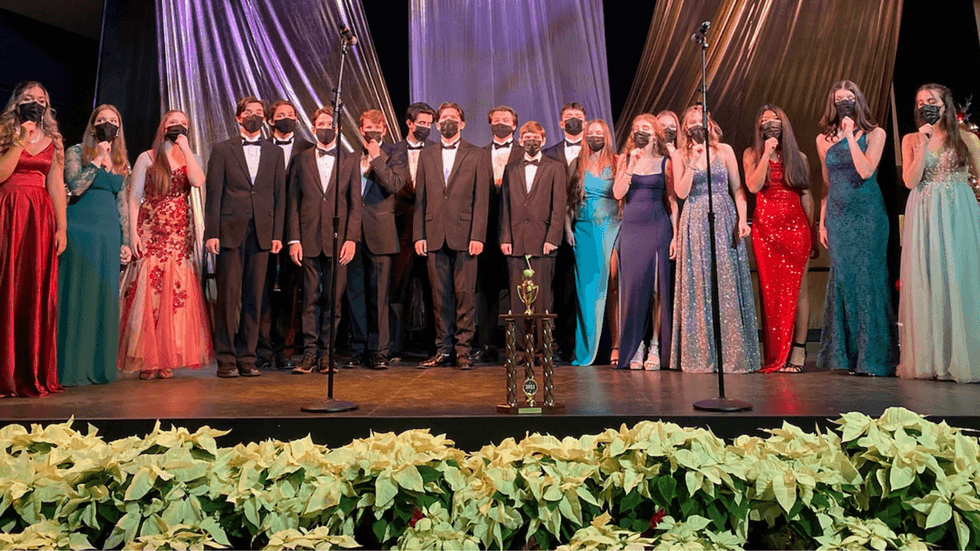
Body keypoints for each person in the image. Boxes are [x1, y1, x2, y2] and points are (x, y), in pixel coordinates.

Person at [119, 109, 213, 378]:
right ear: (163, 127)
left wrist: (184, 147)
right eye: (173, 124)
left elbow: (197, 181)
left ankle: (166, 357)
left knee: (175, 294)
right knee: (150, 294)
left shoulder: (189, 157)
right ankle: (147, 358)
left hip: (178, 233)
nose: (178, 127)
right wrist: (134, 234)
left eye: (183, 124)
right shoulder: (147, 157)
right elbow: (134, 197)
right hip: (151, 229)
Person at [897, 83, 980, 382]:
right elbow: (909, 180)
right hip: (925, 211)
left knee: (958, 278)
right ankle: (933, 359)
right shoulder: (911, 139)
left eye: (931, 101)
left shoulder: (967, 139)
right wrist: (923, 143)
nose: (925, 106)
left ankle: (962, 357)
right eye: (920, 102)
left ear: (945, 105)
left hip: (958, 211)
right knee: (928, 277)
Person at [816, 80, 897, 376]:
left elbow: (865, 170)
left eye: (849, 99)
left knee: (868, 280)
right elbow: (827, 183)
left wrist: (850, 136)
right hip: (838, 217)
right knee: (844, 281)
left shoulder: (876, 133)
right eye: (839, 99)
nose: (844, 103)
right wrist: (822, 221)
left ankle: (873, 358)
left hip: (868, 215)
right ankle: (845, 357)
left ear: (858, 101)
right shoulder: (822, 139)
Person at [670, 106, 760, 374]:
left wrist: (742, 219)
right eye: (693, 122)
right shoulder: (679, 155)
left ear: (710, 124)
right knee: (698, 285)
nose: (698, 125)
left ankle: (731, 355)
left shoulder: (725, 151)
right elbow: (681, 192)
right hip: (694, 220)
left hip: (723, 217)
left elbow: (738, 188)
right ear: (686, 129)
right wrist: (692, 162)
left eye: (702, 121)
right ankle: (701, 355)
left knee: (726, 284)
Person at [205, 96, 286, 378]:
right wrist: (211, 233)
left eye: (259, 112)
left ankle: (248, 357)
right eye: (249, 112)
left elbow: (280, 196)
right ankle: (226, 359)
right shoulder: (222, 149)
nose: (254, 116)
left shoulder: (274, 153)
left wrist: (278, 234)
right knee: (228, 297)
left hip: (262, 233)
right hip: (230, 230)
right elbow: (214, 193)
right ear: (238, 117)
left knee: (256, 297)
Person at [0, 81, 67, 397]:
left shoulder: (54, 140)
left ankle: (31, 371)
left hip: (39, 218)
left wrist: (61, 227)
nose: (35, 104)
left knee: (34, 289)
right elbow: (2, 174)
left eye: (41, 100)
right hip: (8, 213)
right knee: (6, 288)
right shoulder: (4, 131)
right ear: (17, 102)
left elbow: (55, 184)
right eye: (29, 99)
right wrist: (20, 139)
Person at [58, 104, 132, 386]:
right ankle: (71, 368)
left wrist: (126, 240)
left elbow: (122, 203)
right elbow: (75, 186)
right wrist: (99, 158)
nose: (108, 124)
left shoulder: (123, 159)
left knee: (103, 295)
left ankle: (98, 368)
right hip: (80, 229)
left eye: (113, 120)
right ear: (93, 125)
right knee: (78, 294)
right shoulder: (76, 151)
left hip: (108, 232)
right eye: (102, 120)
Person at [413, 102, 489, 369]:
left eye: (453, 118)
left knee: (465, 294)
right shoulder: (427, 154)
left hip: (466, 234)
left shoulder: (477, 154)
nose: (448, 122)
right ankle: (443, 349)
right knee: (439, 295)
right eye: (443, 118)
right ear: (436, 125)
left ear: (462, 123)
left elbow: (482, 199)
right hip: (434, 233)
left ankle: (464, 350)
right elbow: (420, 198)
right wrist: (418, 234)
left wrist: (478, 235)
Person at [286, 106, 361, 374]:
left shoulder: (350, 160)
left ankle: (327, 354)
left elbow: (355, 203)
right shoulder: (301, 159)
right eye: (321, 123)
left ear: (338, 128)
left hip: (338, 239)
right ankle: (309, 352)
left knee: (334, 299)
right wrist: (294, 238)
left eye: (330, 123)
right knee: (309, 298)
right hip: (307, 238)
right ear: (313, 127)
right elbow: (293, 202)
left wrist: (351, 238)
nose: (326, 127)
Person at [743, 104, 813, 373]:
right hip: (766, 230)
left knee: (799, 291)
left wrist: (812, 231)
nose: (770, 124)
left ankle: (798, 349)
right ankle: (774, 352)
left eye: (775, 120)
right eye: (765, 121)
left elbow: (806, 196)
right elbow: (753, 186)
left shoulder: (800, 157)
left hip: (795, 227)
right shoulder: (751, 154)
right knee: (771, 292)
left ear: (785, 125)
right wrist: (767, 154)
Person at [613, 114, 677, 370]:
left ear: (656, 133)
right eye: (636, 127)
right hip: (632, 227)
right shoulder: (625, 159)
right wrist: (630, 166)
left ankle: (655, 344)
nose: (640, 130)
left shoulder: (666, 163)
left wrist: (676, 235)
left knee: (656, 288)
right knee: (634, 288)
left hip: (657, 225)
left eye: (646, 127)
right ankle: (635, 345)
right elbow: (618, 193)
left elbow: (672, 201)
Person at [345, 109, 408, 370]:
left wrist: (376, 159)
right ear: (361, 130)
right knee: (355, 294)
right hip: (352, 235)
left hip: (380, 233)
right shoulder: (349, 158)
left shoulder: (395, 156)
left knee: (379, 296)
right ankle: (359, 348)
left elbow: (394, 185)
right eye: (368, 128)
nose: (372, 132)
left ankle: (379, 350)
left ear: (384, 131)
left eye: (377, 128)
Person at [257, 99, 314, 370]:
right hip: (265, 226)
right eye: (281, 115)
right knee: (263, 290)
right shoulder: (262, 147)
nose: (287, 119)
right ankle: (263, 348)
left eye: (291, 115)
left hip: (296, 229)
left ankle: (286, 349)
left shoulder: (307, 148)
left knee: (292, 293)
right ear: (271, 120)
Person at [499, 121, 564, 343]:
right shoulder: (511, 168)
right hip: (516, 241)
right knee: (517, 299)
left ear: (543, 140)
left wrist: (553, 237)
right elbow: (505, 205)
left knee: (542, 299)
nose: (531, 141)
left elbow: (559, 206)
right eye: (526, 137)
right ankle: (518, 348)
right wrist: (505, 237)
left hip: (543, 240)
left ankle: (540, 348)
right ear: (520, 140)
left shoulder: (555, 168)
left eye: (536, 137)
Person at [568, 119, 621, 366]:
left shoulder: (617, 162)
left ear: (607, 136)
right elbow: (569, 201)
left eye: (600, 133)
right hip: (584, 229)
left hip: (610, 227)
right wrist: (567, 229)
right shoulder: (576, 164)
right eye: (591, 133)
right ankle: (589, 350)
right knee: (587, 290)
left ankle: (616, 345)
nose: (595, 136)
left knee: (611, 285)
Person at [475, 105, 523, 363]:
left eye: (506, 120)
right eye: (496, 120)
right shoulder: (478, 154)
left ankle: (519, 346)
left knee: (519, 289)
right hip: (486, 228)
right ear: (489, 124)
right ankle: (486, 344)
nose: (501, 124)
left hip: (517, 229)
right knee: (487, 290)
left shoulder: (525, 153)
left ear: (515, 125)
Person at [390, 102, 436, 361]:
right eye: (422, 123)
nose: (426, 128)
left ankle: (435, 347)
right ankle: (394, 347)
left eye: (429, 124)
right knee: (398, 289)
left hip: (431, 227)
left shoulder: (436, 150)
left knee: (434, 290)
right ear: (409, 123)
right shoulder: (392, 150)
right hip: (401, 228)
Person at [543, 101, 587, 362]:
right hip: (555, 228)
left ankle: (582, 344)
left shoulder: (597, 150)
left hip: (587, 225)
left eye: (578, 117)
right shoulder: (548, 154)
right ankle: (560, 344)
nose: (573, 121)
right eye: (568, 117)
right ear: (560, 123)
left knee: (583, 288)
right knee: (559, 288)